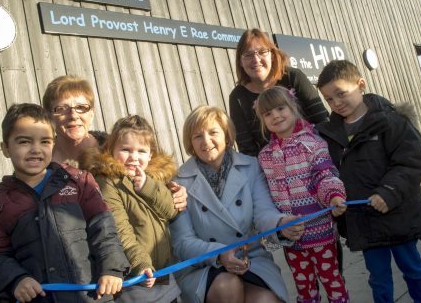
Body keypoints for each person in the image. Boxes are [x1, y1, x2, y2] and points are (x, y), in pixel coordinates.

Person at [0, 75, 187, 246]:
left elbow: (157, 181)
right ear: (48, 116)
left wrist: (172, 191)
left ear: (92, 113)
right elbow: (18, 214)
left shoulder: (122, 151)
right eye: (61, 109)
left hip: (141, 269)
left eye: (82, 107)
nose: (73, 115)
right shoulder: (37, 166)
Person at [0, 103, 129, 302]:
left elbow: (104, 231)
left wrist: (112, 268)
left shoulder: (79, 182)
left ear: (54, 143)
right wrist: (16, 280)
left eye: (45, 141)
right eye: (24, 142)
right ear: (5, 148)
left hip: (93, 296)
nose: (35, 150)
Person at [315, 60, 421, 303]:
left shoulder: (391, 121)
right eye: (329, 99)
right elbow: (328, 173)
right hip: (364, 224)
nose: (336, 103)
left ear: (360, 85)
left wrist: (388, 193)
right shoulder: (329, 135)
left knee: (414, 271)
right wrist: (333, 197)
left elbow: (413, 162)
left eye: (341, 93)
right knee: (379, 280)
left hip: (398, 216)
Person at [170, 106, 304, 303]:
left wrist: (281, 224)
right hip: (203, 266)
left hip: (251, 259)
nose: (206, 141)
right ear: (190, 142)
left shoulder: (251, 166)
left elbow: (263, 212)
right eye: (197, 136)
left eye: (213, 132)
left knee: (264, 301)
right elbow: (182, 242)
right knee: (227, 286)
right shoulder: (179, 180)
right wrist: (219, 254)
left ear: (226, 135)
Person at [255, 86, 349, 303]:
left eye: (280, 108)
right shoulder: (265, 157)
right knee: (304, 288)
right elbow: (264, 196)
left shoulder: (313, 144)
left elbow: (324, 174)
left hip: (320, 234)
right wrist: (270, 228)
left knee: (333, 282)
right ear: (262, 119)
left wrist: (334, 195)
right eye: (267, 113)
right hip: (291, 238)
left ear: (293, 107)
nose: (275, 116)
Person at [79, 115, 181, 303]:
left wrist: (148, 186)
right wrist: (140, 263)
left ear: (150, 155)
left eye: (141, 151)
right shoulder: (107, 182)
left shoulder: (154, 178)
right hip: (134, 277)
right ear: (111, 150)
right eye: (126, 150)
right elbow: (120, 230)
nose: (134, 157)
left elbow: (171, 211)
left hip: (164, 274)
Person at [229, 28, 329, 157]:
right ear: (240, 62)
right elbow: (247, 149)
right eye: (248, 55)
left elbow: (322, 121)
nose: (256, 59)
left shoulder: (293, 77)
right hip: (273, 169)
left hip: (316, 156)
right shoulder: (238, 97)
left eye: (262, 52)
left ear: (272, 54)